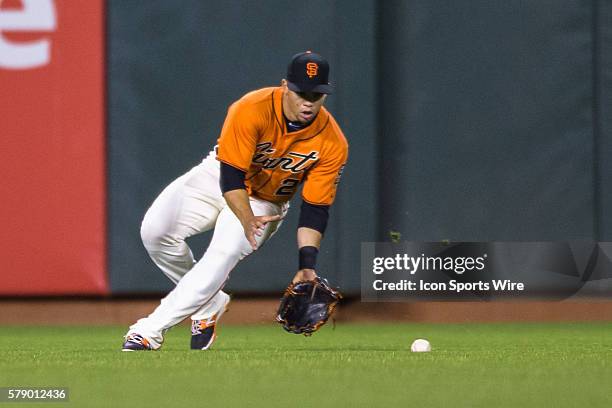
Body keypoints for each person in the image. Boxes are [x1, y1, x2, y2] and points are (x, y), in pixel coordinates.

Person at [122, 51, 348, 351]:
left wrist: (307, 265)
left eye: (317, 95)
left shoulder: (333, 142)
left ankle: (149, 331)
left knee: (222, 254)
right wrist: (244, 218)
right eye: (301, 92)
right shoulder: (251, 108)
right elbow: (230, 179)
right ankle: (209, 301)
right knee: (155, 232)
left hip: (266, 202)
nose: (308, 101)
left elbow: (315, 209)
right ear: (284, 86)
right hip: (217, 177)